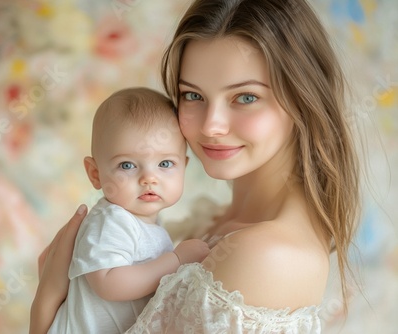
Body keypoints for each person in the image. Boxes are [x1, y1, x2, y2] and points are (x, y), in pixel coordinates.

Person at [30, 0, 361, 332]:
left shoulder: (268, 255)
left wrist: (46, 302)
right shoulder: (209, 222)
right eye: (193, 96)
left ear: (304, 98)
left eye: (245, 97)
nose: (211, 126)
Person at [46, 87, 210, 334]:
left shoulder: (147, 222)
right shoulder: (111, 220)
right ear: (95, 174)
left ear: (183, 167)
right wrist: (176, 260)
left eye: (165, 163)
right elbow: (109, 283)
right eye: (127, 165)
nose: (149, 178)